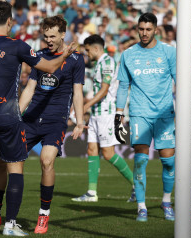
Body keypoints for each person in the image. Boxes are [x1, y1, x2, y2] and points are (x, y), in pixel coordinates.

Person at [0, 2, 75, 236]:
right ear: (10, 21)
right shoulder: (17, 46)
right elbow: (50, 67)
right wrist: (66, 54)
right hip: (8, 117)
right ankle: (11, 225)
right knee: (15, 170)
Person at [0, 15, 86, 234]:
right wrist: (16, 114)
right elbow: (30, 89)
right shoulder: (39, 57)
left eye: (53, 36)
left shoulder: (76, 60)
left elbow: (78, 92)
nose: (49, 40)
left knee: (46, 161)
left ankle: (43, 215)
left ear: (63, 34)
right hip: (31, 120)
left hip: (56, 121)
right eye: (45, 36)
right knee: (5, 162)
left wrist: (79, 121)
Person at [114, 13, 176, 222]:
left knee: (169, 161)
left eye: (148, 29)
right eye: (141, 29)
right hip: (140, 112)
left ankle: (166, 201)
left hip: (164, 113)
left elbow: (180, 80)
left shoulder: (169, 52)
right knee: (140, 161)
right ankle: (142, 207)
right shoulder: (128, 54)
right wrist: (119, 114)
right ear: (137, 29)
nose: (144, 33)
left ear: (156, 30)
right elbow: (123, 86)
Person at [71, 34, 135, 203]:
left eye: (87, 50)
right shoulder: (99, 63)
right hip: (96, 114)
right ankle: (92, 193)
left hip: (107, 113)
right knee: (92, 150)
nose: (87, 54)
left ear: (96, 48)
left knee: (108, 153)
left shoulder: (107, 62)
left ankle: (137, 185)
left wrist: (85, 105)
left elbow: (105, 89)